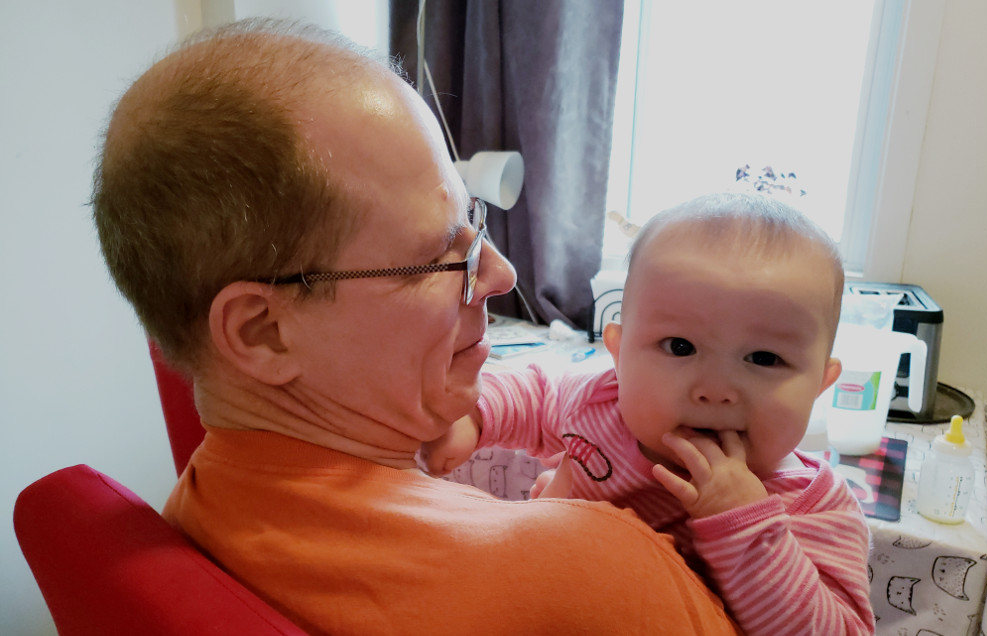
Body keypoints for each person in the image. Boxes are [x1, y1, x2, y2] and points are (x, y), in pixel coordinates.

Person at [91, 18, 741, 636]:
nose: (501, 273)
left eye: (476, 223)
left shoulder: (197, 509)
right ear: (263, 332)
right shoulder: (594, 569)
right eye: (440, 255)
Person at [423, 192, 876, 636]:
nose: (716, 390)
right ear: (618, 354)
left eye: (763, 358)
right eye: (680, 347)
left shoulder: (816, 510)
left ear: (820, 384)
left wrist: (748, 526)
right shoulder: (603, 403)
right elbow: (537, 391)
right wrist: (474, 417)